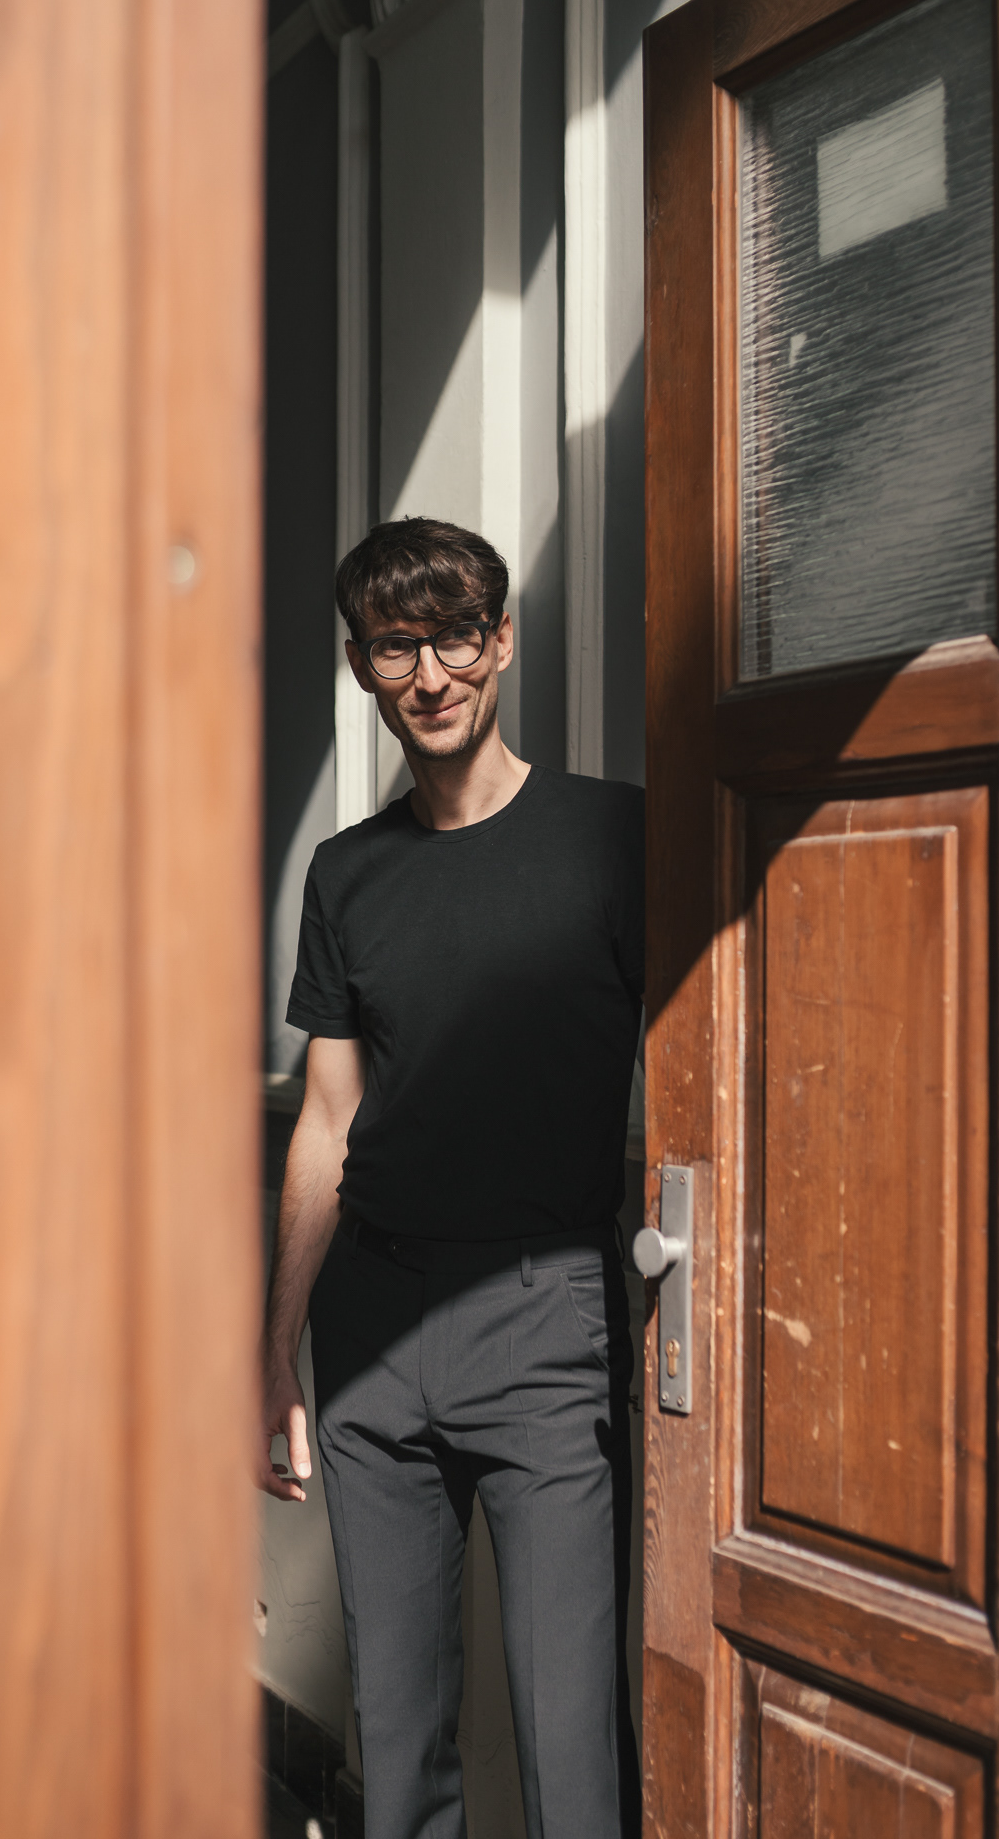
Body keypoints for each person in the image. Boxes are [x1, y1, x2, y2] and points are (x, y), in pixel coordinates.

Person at [259, 517, 644, 1839]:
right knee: (399, 1740)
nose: (428, 676)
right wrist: (275, 1353)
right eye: (394, 647)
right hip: (370, 1333)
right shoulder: (346, 875)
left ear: (502, 642)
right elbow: (327, 1120)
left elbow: (709, 1070)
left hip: (548, 1323)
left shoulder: (615, 838)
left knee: (570, 1740)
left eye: (454, 640)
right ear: (362, 666)